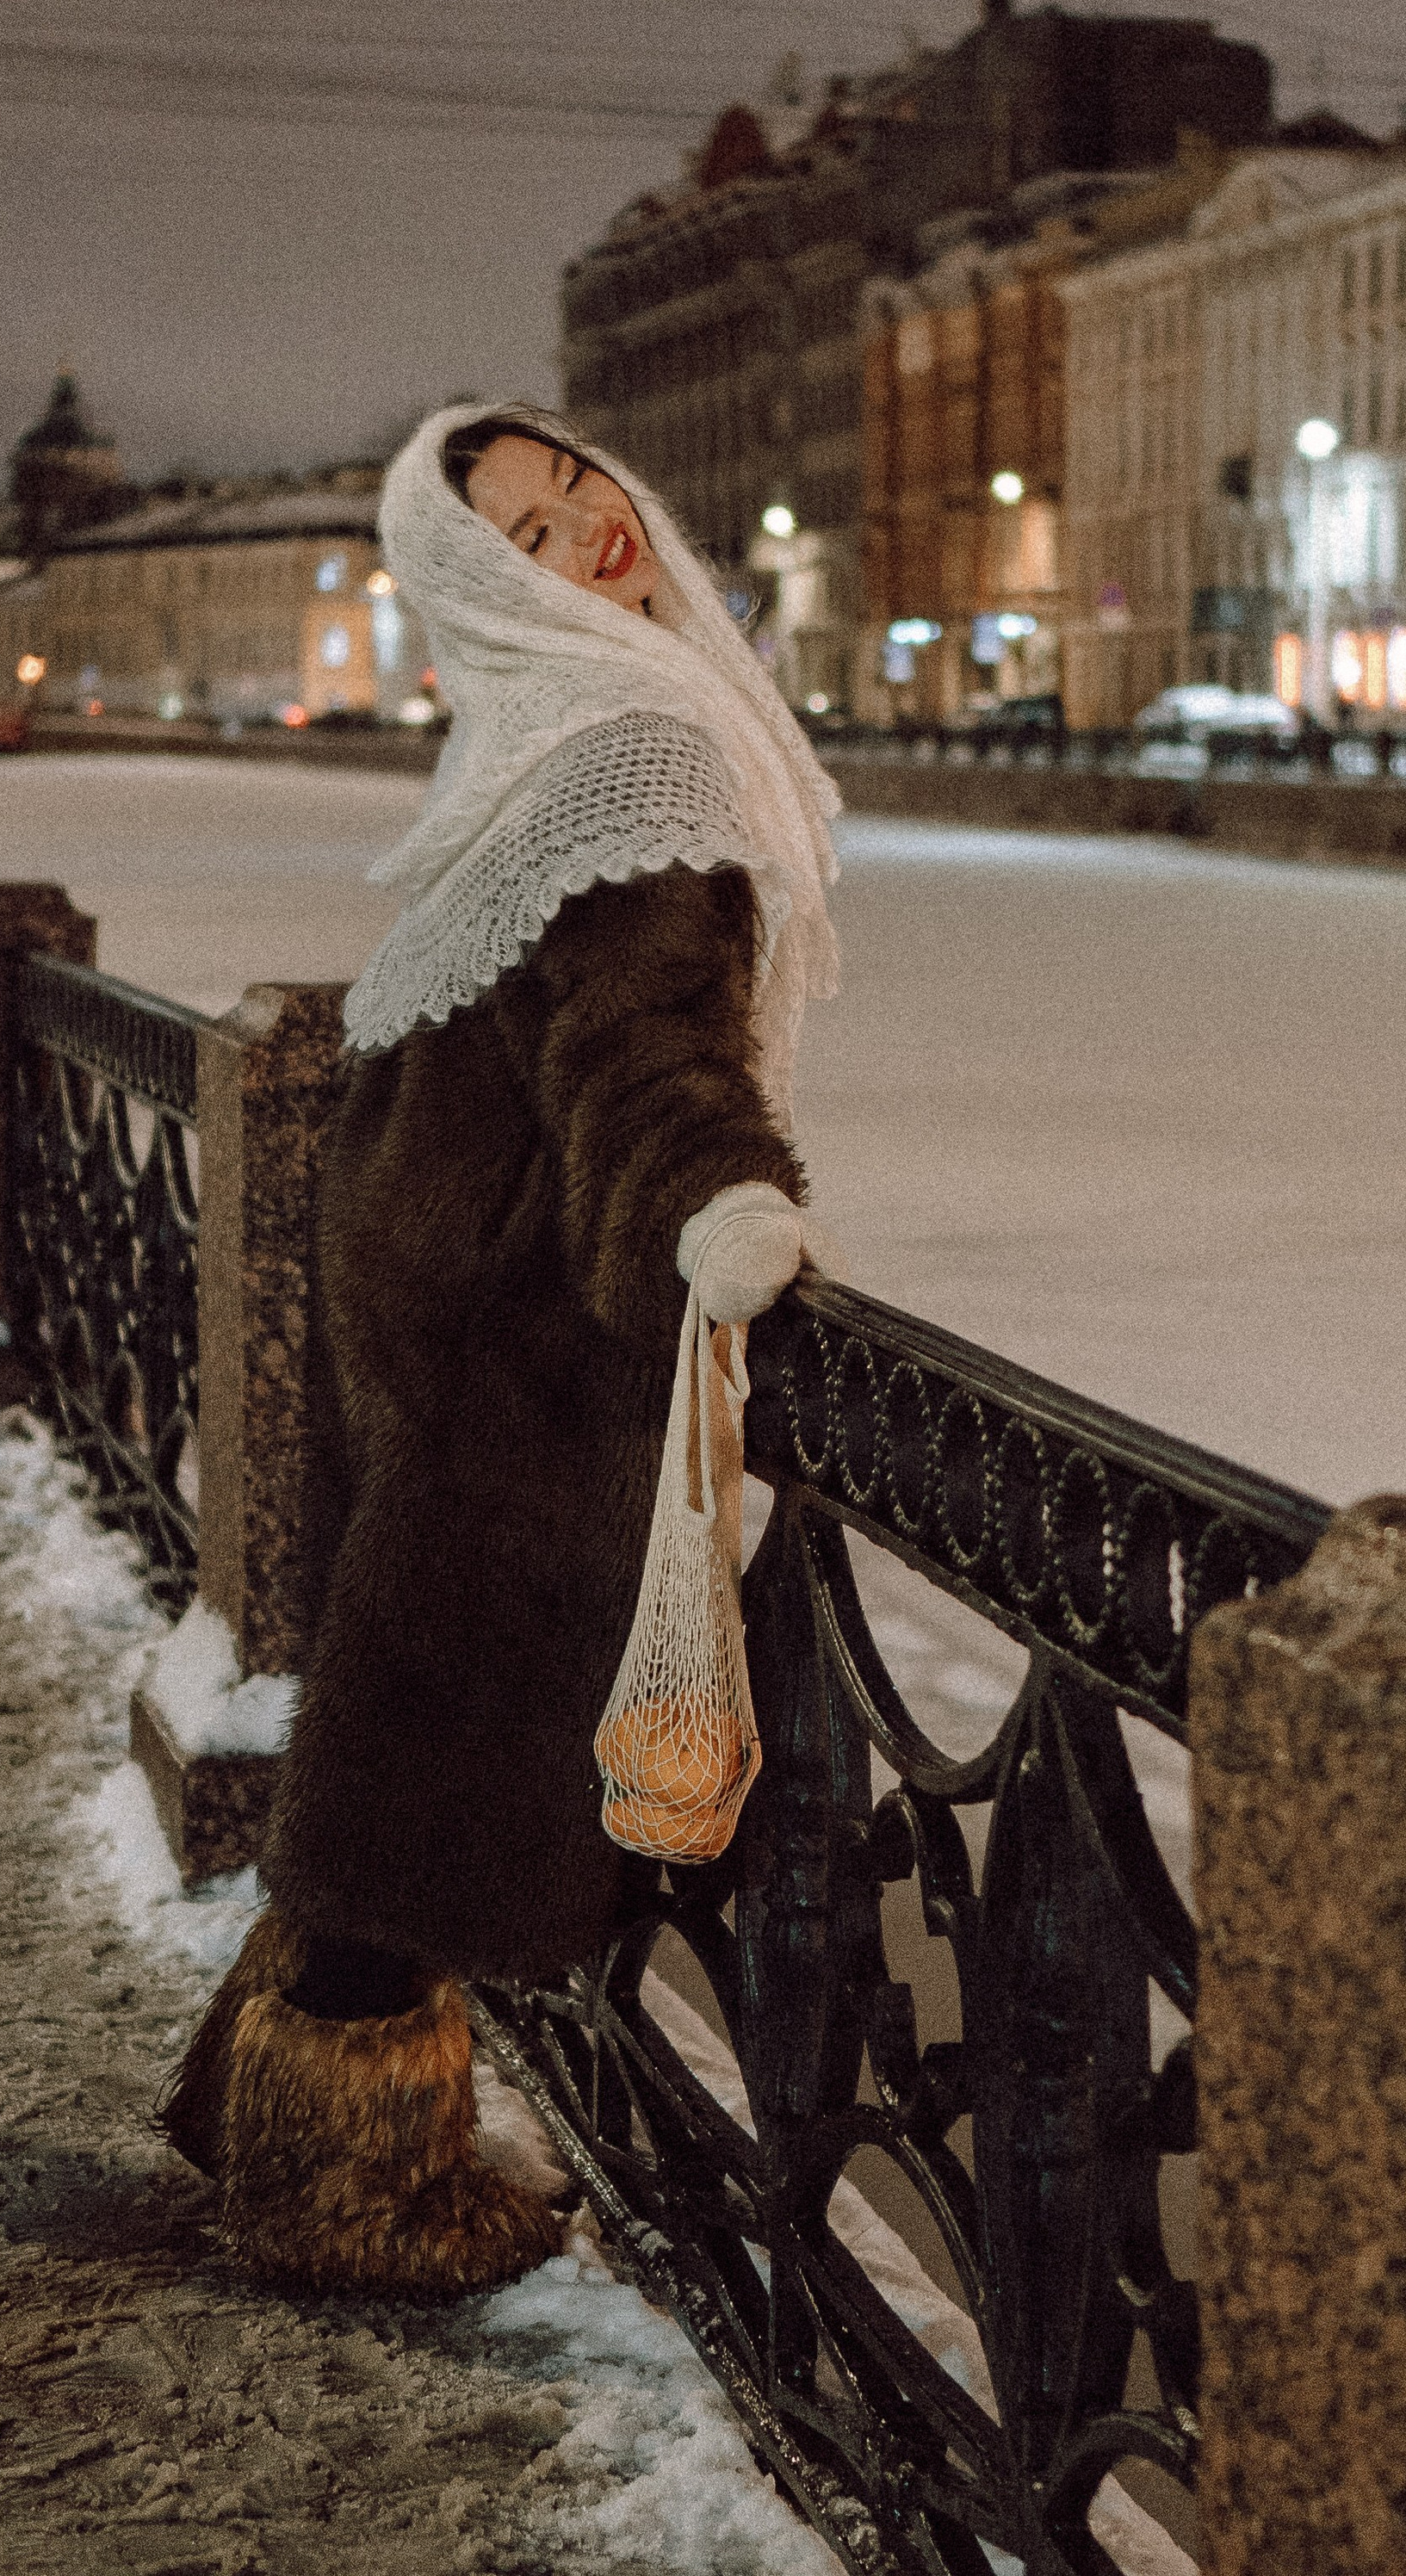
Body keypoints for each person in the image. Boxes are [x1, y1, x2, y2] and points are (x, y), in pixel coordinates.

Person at [161, 399, 839, 2296]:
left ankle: (266, 2099)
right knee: (434, 1782)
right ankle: (349, 2189)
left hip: (436, 1281)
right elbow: (637, 1031)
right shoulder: (630, 747)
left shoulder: (542, 721)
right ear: (479, 588)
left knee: (391, 1746)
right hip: (520, 1333)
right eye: (526, 538)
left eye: (577, 493)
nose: (587, 538)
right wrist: (714, 1196)